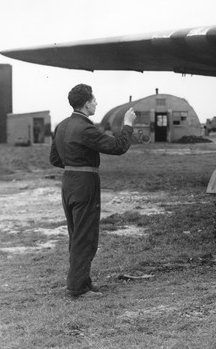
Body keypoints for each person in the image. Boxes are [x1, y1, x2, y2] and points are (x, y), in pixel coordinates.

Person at [50, 84, 136, 298]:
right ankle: (77, 288)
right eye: (94, 100)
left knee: (76, 234)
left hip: (68, 183)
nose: (96, 103)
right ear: (87, 104)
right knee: (85, 236)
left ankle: (83, 282)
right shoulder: (85, 128)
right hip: (85, 184)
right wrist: (128, 125)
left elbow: (54, 159)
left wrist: (73, 166)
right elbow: (118, 147)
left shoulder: (61, 126)